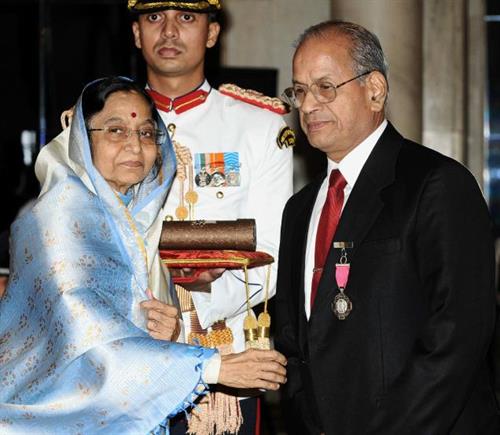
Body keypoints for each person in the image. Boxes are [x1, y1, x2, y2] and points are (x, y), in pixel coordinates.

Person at [0, 76, 287, 434]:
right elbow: (90, 339)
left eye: (147, 133)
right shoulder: (59, 216)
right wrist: (215, 368)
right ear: (82, 140)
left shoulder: (129, 213)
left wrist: (161, 326)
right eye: (116, 131)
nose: (134, 146)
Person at [275, 20, 500, 434]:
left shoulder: (435, 184)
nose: (306, 106)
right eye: (299, 91)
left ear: (374, 89)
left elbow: (457, 335)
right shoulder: (299, 209)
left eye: (325, 87)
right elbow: (293, 339)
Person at [129, 1, 294, 433]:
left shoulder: (258, 127)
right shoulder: (97, 127)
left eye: (186, 18)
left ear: (212, 33)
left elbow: (273, 253)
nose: (168, 31)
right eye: (153, 18)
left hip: (224, 354)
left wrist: (192, 304)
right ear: (135, 34)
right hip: (126, 356)